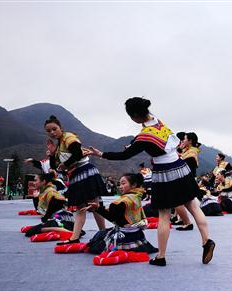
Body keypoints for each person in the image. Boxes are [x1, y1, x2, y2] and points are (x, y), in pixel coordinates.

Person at [87, 97, 215, 266]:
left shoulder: (143, 137)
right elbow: (147, 142)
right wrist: (134, 144)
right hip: (180, 167)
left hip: (164, 173)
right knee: (192, 205)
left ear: (134, 116)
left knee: (164, 215)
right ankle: (206, 240)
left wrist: (101, 154)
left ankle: (161, 256)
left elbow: (125, 155)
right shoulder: (158, 122)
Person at [43, 115, 106, 245]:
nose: (52, 133)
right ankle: (76, 237)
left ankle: (102, 232)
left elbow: (77, 153)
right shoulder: (59, 146)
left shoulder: (68, 137)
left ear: (61, 128)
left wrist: (65, 164)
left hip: (85, 171)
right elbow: (55, 167)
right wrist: (51, 154)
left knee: (94, 205)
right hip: (76, 175)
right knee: (82, 207)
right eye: (49, 131)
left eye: (54, 129)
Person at [84, 173, 158, 254]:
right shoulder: (137, 196)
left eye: (123, 183)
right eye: (119, 184)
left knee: (96, 242)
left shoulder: (120, 202)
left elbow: (112, 218)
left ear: (133, 185)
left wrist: (97, 209)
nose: (120, 186)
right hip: (138, 235)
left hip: (124, 237)